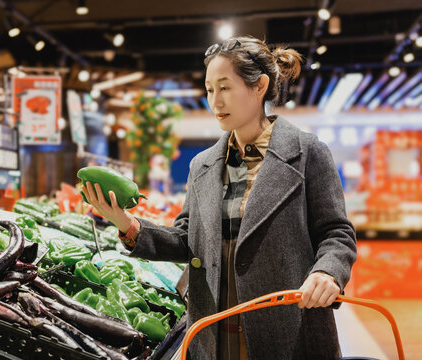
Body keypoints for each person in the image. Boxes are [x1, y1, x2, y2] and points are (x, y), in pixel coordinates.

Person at [82, 36, 357, 360]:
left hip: (288, 330)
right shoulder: (202, 165)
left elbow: (337, 233)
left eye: (225, 87)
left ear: (259, 87)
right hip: (214, 334)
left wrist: (327, 271)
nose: (215, 101)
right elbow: (187, 239)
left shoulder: (307, 153)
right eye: (210, 89)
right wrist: (127, 224)